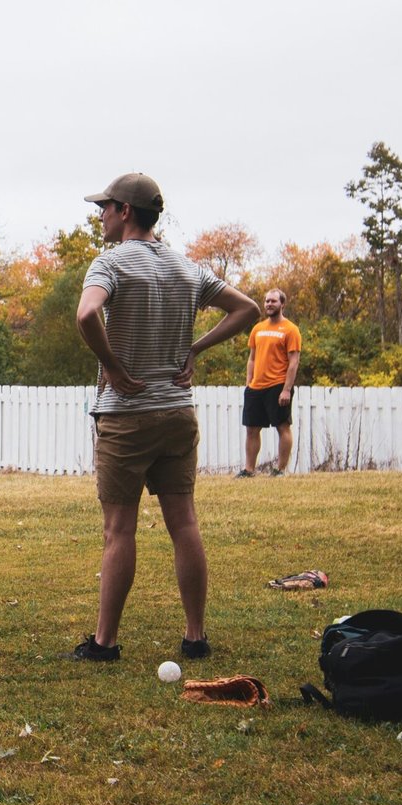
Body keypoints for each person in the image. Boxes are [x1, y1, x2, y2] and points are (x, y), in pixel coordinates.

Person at [70, 173, 258, 662]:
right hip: (177, 412)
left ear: (126, 211)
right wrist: (194, 348)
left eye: (105, 207)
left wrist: (112, 366)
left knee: (119, 531)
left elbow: (87, 315)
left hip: (127, 417)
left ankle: (104, 644)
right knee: (184, 524)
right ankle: (196, 636)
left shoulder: (109, 263)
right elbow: (247, 309)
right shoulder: (186, 267)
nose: (101, 214)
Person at [238, 290, 302, 477]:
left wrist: (286, 390)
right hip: (256, 387)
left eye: (273, 301)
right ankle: (249, 470)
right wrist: (249, 382)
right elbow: (252, 358)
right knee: (251, 429)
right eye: (266, 301)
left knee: (282, 427)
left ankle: (280, 470)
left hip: (278, 385)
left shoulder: (291, 330)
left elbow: (294, 362)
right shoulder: (257, 329)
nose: (269, 304)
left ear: (283, 304)